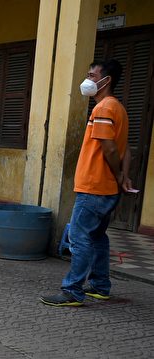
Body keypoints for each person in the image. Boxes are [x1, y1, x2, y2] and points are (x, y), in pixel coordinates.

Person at [40, 59, 132, 307]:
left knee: (79, 238)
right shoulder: (119, 109)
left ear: (106, 80)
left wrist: (119, 174)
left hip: (94, 187)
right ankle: (100, 286)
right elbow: (127, 149)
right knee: (98, 237)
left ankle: (72, 291)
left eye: (92, 75)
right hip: (107, 188)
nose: (87, 80)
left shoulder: (103, 109)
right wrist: (123, 175)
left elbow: (111, 149)